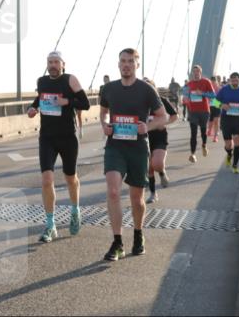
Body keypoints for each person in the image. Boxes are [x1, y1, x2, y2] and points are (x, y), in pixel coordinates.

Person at [99, 49, 167, 260]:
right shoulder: (108, 89)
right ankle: (117, 242)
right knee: (112, 192)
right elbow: (103, 112)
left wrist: (147, 126)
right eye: (122, 61)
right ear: (118, 64)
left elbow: (163, 117)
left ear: (137, 65)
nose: (126, 65)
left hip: (138, 148)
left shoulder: (146, 90)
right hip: (115, 147)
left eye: (130, 61)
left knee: (137, 199)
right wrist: (104, 125)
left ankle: (138, 234)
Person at [27, 51, 91, 243]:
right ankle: (50, 225)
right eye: (49, 62)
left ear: (63, 64)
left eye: (56, 62)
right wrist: (33, 108)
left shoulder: (70, 80)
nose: (52, 65)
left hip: (67, 137)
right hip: (47, 137)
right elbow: (40, 99)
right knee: (47, 180)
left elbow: (85, 104)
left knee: (70, 178)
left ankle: (75, 210)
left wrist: (67, 102)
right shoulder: (42, 81)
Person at [143, 78, 179, 203]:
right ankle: (153, 194)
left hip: (159, 136)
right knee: (149, 169)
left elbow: (174, 116)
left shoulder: (161, 101)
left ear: (154, 88)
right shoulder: (138, 102)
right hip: (143, 138)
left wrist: (164, 123)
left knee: (157, 163)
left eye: (149, 87)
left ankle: (162, 172)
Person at [181, 65, 215, 163]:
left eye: (198, 72)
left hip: (204, 110)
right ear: (192, 73)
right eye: (194, 72)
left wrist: (203, 94)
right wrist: (186, 99)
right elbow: (185, 97)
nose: (196, 73)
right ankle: (193, 154)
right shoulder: (189, 84)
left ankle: (204, 145)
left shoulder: (206, 82)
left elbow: (213, 95)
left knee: (203, 132)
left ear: (200, 72)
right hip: (192, 111)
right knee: (193, 133)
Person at [208, 75, 222, 142]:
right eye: (212, 82)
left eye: (214, 81)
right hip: (209, 106)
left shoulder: (220, 89)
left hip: (217, 106)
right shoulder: (209, 88)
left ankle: (215, 137)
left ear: (217, 81)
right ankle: (210, 130)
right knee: (210, 121)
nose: (213, 83)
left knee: (216, 121)